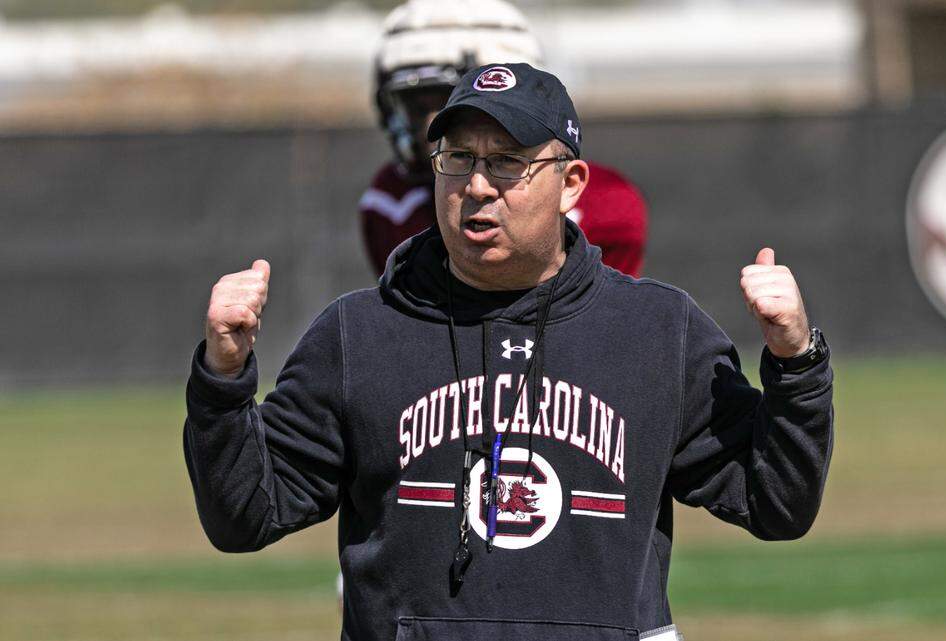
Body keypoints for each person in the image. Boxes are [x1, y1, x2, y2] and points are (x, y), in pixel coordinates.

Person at [184, 63, 834, 641]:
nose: (476, 184)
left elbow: (776, 501)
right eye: (458, 158)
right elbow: (245, 514)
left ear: (571, 182)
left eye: (507, 162)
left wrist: (796, 358)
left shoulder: (658, 331)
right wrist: (224, 374)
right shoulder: (359, 335)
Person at [360, 0, 647, 279]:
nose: (428, 125)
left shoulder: (606, 204)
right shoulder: (391, 201)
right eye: (415, 107)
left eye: (449, 99)